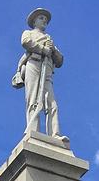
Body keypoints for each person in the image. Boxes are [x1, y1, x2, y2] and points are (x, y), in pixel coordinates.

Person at [16, 8, 65, 140]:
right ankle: (33, 131)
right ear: (34, 21)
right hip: (34, 64)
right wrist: (43, 49)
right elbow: (25, 42)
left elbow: (60, 61)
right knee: (33, 99)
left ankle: (55, 135)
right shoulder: (29, 33)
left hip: (47, 70)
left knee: (52, 103)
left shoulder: (49, 39)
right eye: (41, 18)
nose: (44, 21)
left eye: (46, 20)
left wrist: (53, 50)